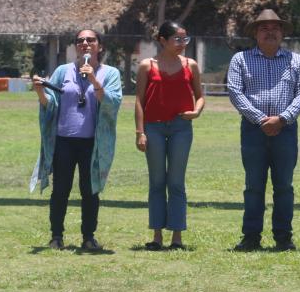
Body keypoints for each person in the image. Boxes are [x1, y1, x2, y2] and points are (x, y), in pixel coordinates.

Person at [226, 9, 300, 251]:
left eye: (275, 28)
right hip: (253, 130)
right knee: (253, 186)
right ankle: (251, 237)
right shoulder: (240, 60)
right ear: (255, 33)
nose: (270, 32)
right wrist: (261, 119)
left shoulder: (296, 61)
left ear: (282, 33)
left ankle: (283, 237)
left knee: (284, 186)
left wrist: (282, 119)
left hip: (286, 130)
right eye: (264, 28)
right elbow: (235, 92)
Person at [31, 29, 122, 251]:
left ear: (100, 46)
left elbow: (112, 103)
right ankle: (56, 236)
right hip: (64, 141)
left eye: (91, 40)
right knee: (60, 190)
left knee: (90, 191)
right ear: (76, 46)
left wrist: (93, 79)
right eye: (80, 40)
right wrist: (40, 92)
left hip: (93, 143)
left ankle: (88, 237)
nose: (85, 43)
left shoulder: (110, 73)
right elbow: (51, 104)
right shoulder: (63, 71)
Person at [134, 22, 205, 250]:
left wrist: (196, 111)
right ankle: (157, 237)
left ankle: (177, 237)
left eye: (185, 39)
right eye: (177, 39)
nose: (183, 43)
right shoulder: (147, 66)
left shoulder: (190, 65)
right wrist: (140, 132)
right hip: (153, 128)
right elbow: (139, 101)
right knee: (157, 182)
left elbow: (200, 96)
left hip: (181, 127)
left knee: (176, 182)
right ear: (162, 40)